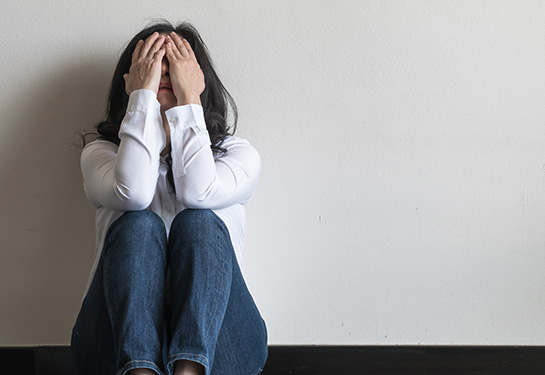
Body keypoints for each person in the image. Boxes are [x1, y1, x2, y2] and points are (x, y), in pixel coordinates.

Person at [71, 21, 267, 375]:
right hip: (111, 347)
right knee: (138, 224)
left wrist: (188, 100)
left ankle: (189, 370)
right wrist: (143, 100)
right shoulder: (101, 155)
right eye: (152, 65)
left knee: (199, 220)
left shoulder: (238, 156)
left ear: (198, 78)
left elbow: (198, 192)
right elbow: (134, 193)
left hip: (225, 348)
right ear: (130, 80)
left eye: (175, 66)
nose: (163, 74)